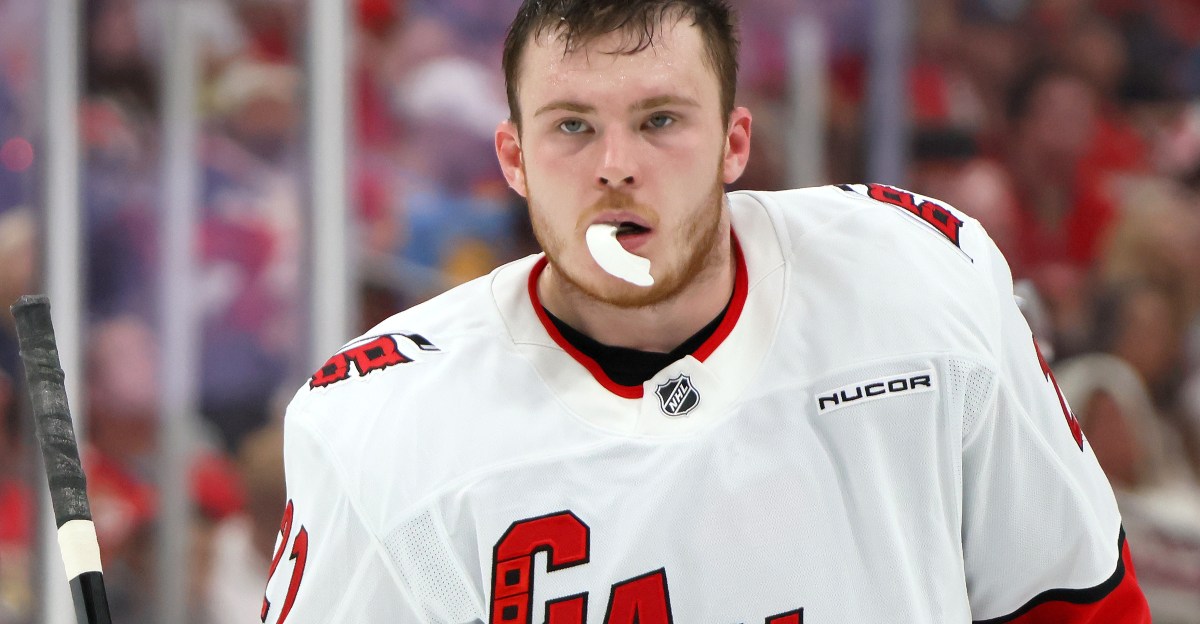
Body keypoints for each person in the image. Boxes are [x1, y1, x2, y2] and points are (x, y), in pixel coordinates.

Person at [262, 1, 1151, 621]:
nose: (615, 164)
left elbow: (1074, 604)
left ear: (734, 142)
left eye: (659, 121)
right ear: (514, 158)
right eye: (572, 126)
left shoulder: (917, 282)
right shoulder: (381, 420)